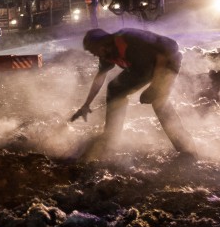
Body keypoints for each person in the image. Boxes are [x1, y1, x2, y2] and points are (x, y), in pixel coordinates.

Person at [71, 28, 197, 161]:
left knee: (158, 102)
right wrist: (86, 104)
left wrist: (155, 86)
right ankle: (110, 139)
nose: (95, 55)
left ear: (102, 43)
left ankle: (187, 150)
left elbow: (166, 50)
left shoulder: (128, 37)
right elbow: (100, 77)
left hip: (167, 63)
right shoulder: (107, 54)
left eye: (93, 51)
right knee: (114, 90)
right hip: (141, 69)